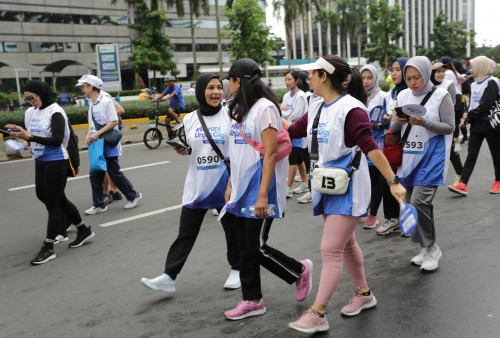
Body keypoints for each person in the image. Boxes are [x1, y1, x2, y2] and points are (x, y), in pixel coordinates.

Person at [284, 56, 406, 333]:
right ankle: (364, 294)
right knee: (347, 244)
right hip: (327, 185)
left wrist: (392, 181)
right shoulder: (316, 106)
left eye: (312, 74)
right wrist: (264, 117)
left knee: (330, 249)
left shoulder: (352, 109)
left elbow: (371, 148)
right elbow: (292, 131)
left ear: (325, 77)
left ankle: (318, 313)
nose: (308, 79)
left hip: (349, 188)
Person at [222, 58, 312, 321]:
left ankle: (299, 271)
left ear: (238, 81)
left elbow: (270, 153)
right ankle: (252, 300)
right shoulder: (237, 107)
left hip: (263, 188)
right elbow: (236, 152)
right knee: (244, 246)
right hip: (241, 188)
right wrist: (230, 184)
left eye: (230, 80)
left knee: (255, 246)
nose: (228, 84)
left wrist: (262, 195)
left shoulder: (265, 109)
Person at [140, 74, 241, 292]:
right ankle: (169, 276)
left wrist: (234, 180)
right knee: (185, 232)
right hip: (198, 185)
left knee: (232, 230)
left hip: (224, 184)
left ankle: (237, 268)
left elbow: (237, 150)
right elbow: (191, 147)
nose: (215, 92)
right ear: (200, 91)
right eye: (210, 88)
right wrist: (182, 149)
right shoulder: (190, 118)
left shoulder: (230, 116)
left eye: (218, 88)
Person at [5, 80, 94, 265]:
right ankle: (83, 229)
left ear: (42, 94)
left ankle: (49, 247)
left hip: (57, 160)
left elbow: (55, 140)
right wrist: (22, 135)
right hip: (40, 160)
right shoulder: (31, 112)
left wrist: (29, 136)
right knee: (46, 196)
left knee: (53, 202)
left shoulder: (55, 112)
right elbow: (33, 135)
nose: (30, 102)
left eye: (33, 98)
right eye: (27, 98)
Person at [391, 56, 454, 272]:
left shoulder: (441, 95)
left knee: (419, 202)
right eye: (408, 78)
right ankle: (425, 248)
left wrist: (423, 121)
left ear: (426, 74)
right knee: (413, 206)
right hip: (408, 159)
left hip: (432, 158)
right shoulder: (403, 95)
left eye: (416, 77)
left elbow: (449, 127)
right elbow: (394, 127)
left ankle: (432, 247)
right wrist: (398, 121)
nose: (412, 82)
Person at [78, 75, 142, 214]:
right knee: (95, 174)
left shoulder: (106, 101)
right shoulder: (92, 104)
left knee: (114, 173)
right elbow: (91, 125)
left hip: (107, 142)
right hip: (97, 143)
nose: (82, 89)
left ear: (91, 86)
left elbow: (113, 122)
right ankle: (99, 204)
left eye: (83, 86)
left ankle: (133, 196)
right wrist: (89, 135)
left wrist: (96, 134)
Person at [448, 56, 500, 195]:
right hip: (477, 124)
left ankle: (498, 182)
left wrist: (469, 115)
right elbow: (473, 105)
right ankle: (463, 184)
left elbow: (486, 105)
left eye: (472, 67)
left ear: (481, 67)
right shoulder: (474, 84)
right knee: (471, 155)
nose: (470, 70)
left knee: (496, 154)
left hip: (491, 124)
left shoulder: (492, 82)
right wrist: (467, 119)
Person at [375, 57, 409, 236]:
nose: (394, 73)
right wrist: (386, 119)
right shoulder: (392, 93)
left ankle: (408, 219)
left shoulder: (411, 92)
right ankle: (393, 218)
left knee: (405, 181)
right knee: (386, 179)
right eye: (392, 69)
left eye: (398, 69)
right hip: (391, 143)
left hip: (408, 144)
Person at [360, 64, 390, 229]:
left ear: (375, 78)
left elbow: (390, 119)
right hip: (359, 144)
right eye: (363, 78)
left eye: (369, 77)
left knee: (374, 178)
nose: (366, 81)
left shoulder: (383, 96)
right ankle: (365, 206)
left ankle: (373, 215)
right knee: (362, 178)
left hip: (376, 142)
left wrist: (382, 122)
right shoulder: (357, 96)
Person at [431, 61, 463, 185]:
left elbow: (452, 105)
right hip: (430, 123)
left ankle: (460, 174)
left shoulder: (448, 84)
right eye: (438, 71)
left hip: (446, 123)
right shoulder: (427, 85)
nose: (441, 74)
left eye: (443, 71)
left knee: (450, 151)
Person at [281, 71, 309, 198]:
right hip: (288, 130)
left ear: (296, 81)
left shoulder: (301, 96)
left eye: (289, 79)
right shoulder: (286, 96)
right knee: (298, 159)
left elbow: (297, 115)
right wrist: (287, 112)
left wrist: (286, 112)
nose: (287, 82)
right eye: (286, 79)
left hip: (298, 130)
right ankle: (305, 182)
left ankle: (288, 187)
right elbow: (282, 113)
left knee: (292, 158)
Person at [152, 75, 185, 140]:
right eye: (167, 82)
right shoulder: (168, 88)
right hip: (173, 107)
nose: (168, 83)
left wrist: (166, 98)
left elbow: (172, 94)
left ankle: (178, 122)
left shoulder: (177, 88)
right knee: (167, 120)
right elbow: (162, 94)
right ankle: (170, 135)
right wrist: (155, 99)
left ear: (173, 82)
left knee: (169, 109)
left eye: (169, 82)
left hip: (180, 106)